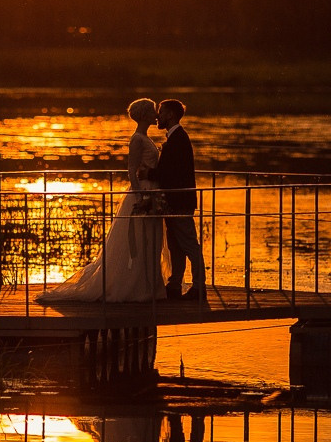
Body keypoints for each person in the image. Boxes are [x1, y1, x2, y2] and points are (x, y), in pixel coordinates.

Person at [37, 98, 167, 303]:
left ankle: (149, 285)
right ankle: (133, 287)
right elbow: (131, 171)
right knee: (140, 240)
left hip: (152, 190)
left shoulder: (146, 138)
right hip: (143, 193)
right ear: (144, 115)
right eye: (153, 111)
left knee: (151, 240)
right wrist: (140, 195)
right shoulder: (137, 139)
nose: (157, 115)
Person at [151, 99, 207, 301]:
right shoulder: (176, 138)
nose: (158, 116)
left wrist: (149, 173)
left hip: (180, 201)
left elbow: (170, 173)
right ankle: (174, 284)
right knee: (175, 245)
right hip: (175, 201)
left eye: (162, 112)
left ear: (171, 115)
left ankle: (199, 287)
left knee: (189, 244)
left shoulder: (179, 139)